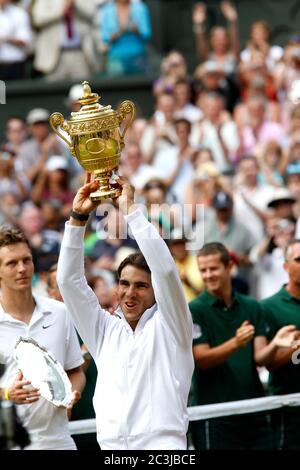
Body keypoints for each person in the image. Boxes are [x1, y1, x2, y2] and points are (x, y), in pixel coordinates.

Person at [57, 178, 194, 450]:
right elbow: (68, 282)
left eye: (141, 285)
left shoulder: (173, 325)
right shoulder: (104, 331)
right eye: (124, 284)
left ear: (157, 291)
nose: (130, 293)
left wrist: (131, 210)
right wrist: (77, 218)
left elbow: (165, 271)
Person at [189, 242, 299, 450]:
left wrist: (276, 344)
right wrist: (236, 342)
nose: (208, 275)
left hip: (253, 411)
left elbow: (260, 358)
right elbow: (201, 360)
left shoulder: (251, 306)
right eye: (203, 270)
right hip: (214, 415)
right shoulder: (194, 309)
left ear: (229, 267)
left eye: (213, 268)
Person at [0, 227, 85, 449]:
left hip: (60, 441)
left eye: (26, 260)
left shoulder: (60, 312)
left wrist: (73, 393)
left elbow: (75, 371)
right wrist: (6, 393)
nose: (22, 269)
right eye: (11, 263)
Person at [260, 239, 300, 449]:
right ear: (285, 266)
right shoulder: (268, 307)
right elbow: (269, 363)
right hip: (288, 408)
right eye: (299, 260)